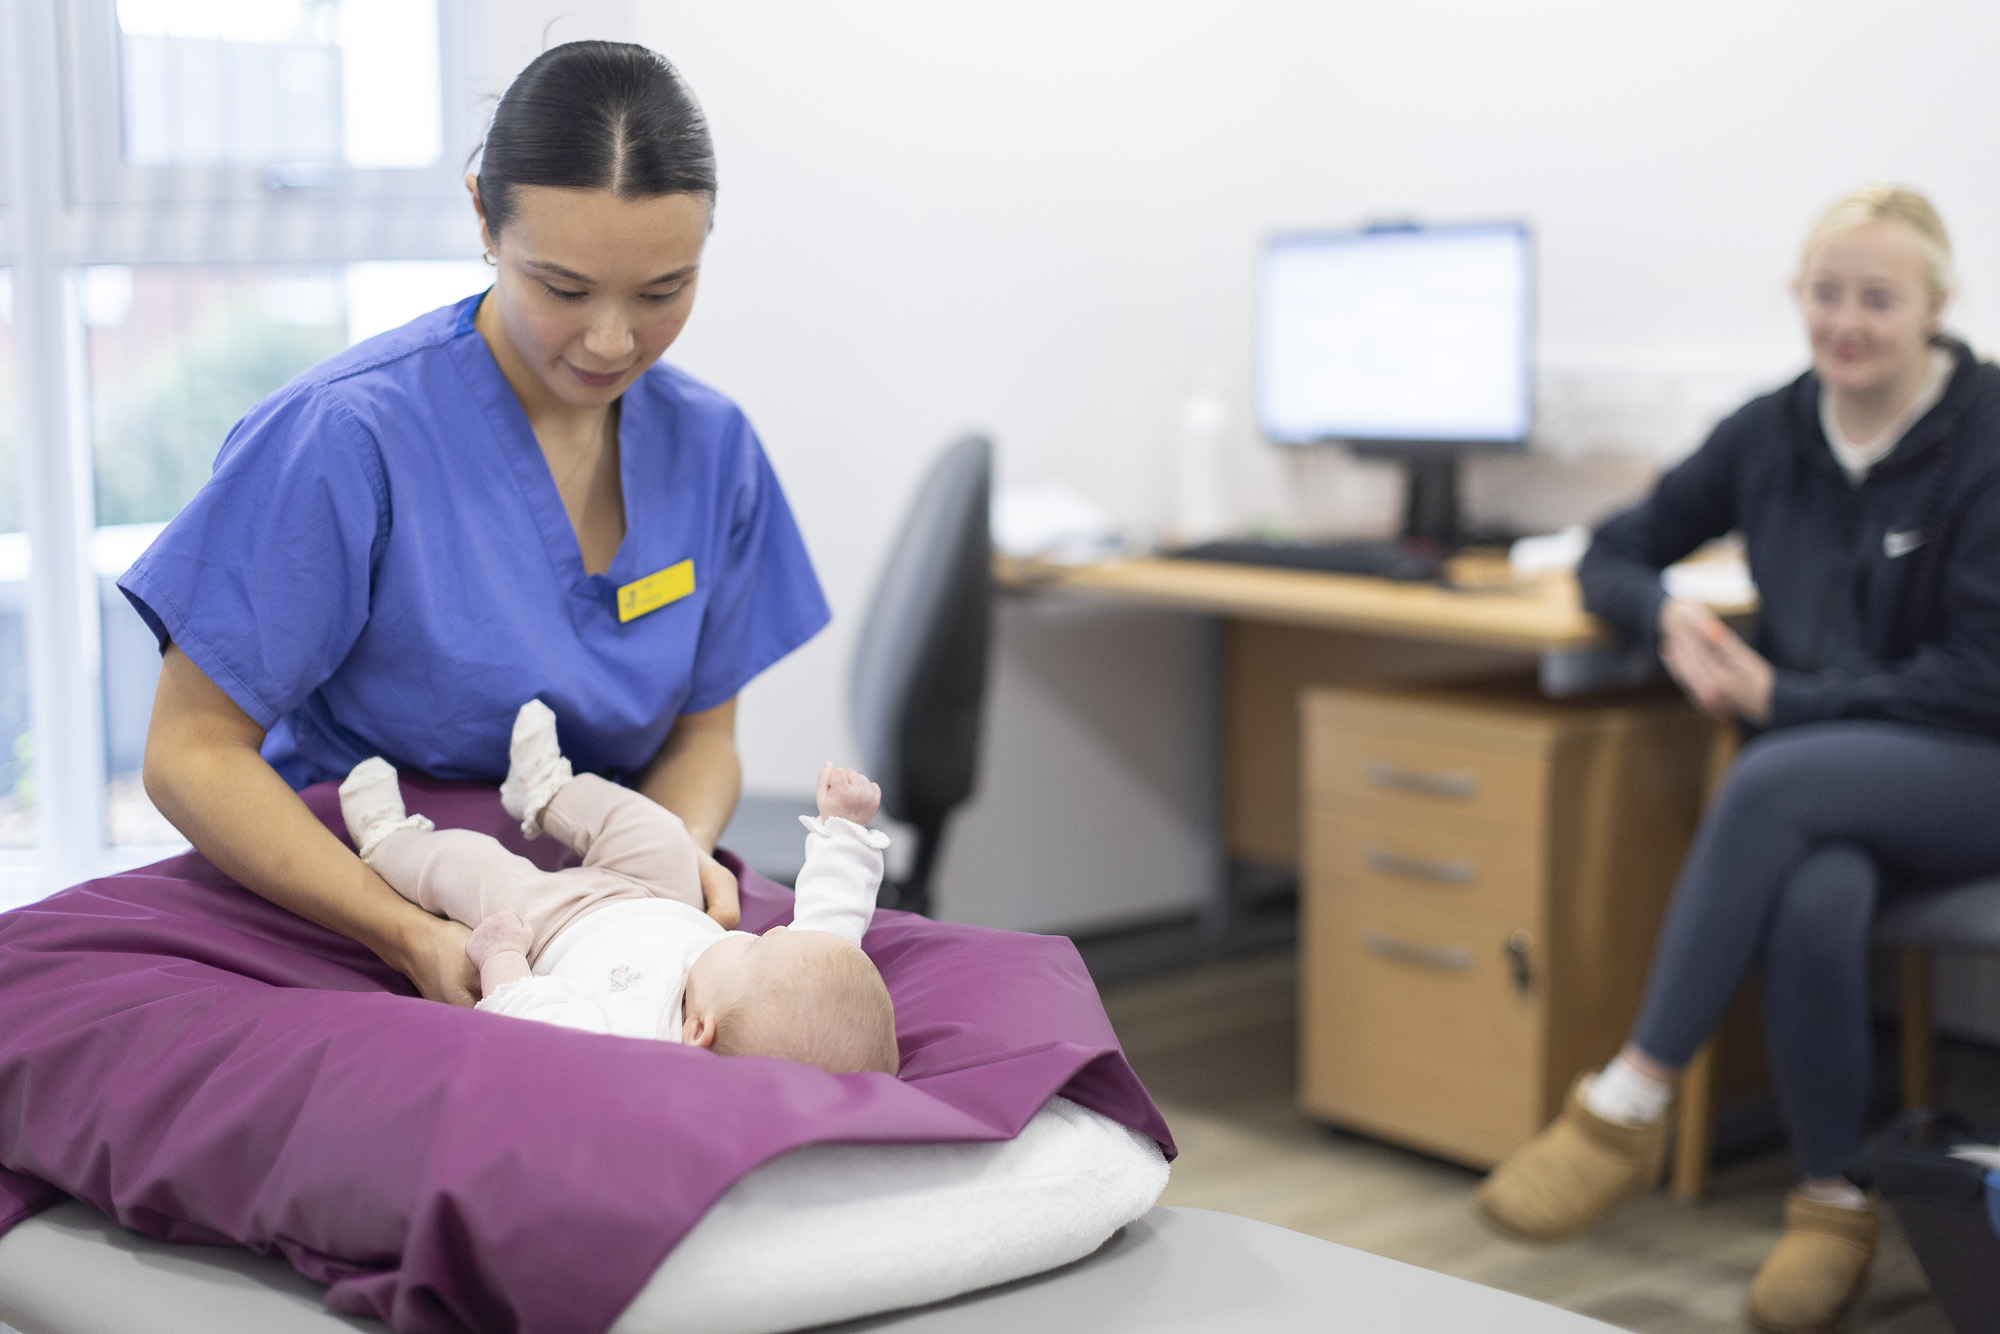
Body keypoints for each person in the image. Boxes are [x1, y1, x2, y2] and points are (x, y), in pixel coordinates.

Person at [121, 42, 830, 1009]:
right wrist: (408, 934)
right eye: (565, 289)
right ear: (481, 218)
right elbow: (189, 752)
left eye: (664, 291)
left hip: (614, 882)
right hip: (369, 885)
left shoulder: (711, 447)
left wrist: (663, 866)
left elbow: (704, 738)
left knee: (947, 1004)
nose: (613, 340)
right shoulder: (347, 438)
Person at [1474, 185, 2000, 1333]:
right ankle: (1827, 1207)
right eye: (1824, 293)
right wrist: (1659, 614)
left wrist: (1786, 695)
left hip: (1971, 765)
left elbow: (1978, 673)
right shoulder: (1769, 428)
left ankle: (1628, 1099)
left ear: (1935, 307)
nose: (1845, 321)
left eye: (1877, 297)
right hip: (1831, 790)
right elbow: (1610, 548)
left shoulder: (1987, 432)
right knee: (1813, 890)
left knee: (1768, 770)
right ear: (1795, 299)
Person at [338, 702, 898, 1075]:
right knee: (660, 832)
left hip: (553, 926)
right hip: (661, 897)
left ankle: (389, 842)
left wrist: (503, 956)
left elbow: (531, 1021)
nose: (761, 932)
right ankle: (545, 792)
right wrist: (844, 828)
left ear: (700, 1028)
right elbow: (833, 916)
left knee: (474, 868)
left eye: (753, 945)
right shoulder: (788, 981)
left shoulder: (638, 1038)